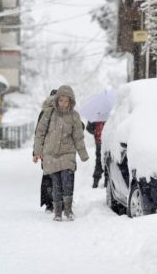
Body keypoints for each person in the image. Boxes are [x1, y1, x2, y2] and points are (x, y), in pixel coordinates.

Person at [33, 85, 89, 221]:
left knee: (67, 180)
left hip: (67, 153)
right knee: (56, 184)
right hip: (51, 154)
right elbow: (39, 133)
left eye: (66, 101)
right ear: (57, 100)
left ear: (71, 102)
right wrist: (37, 152)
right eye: (61, 100)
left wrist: (83, 154)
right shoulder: (49, 113)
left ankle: (68, 210)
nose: (63, 104)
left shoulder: (74, 116)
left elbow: (78, 136)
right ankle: (57, 212)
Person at [34, 89, 57, 213]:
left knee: (48, 176)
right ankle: (57, 202)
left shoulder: (44, 112)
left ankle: (49, 203)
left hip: (47, 150)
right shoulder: (65, 111)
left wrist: (37, 151)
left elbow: (38, 132)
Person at [86, 121, 106, 188]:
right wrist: (95, 131)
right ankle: (95, 182)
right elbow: (88, 128)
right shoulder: (95, 117)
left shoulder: (108, 116)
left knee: (107, 161)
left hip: (108, 141)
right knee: (99, 162)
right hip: (99, 142)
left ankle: (107, 181)